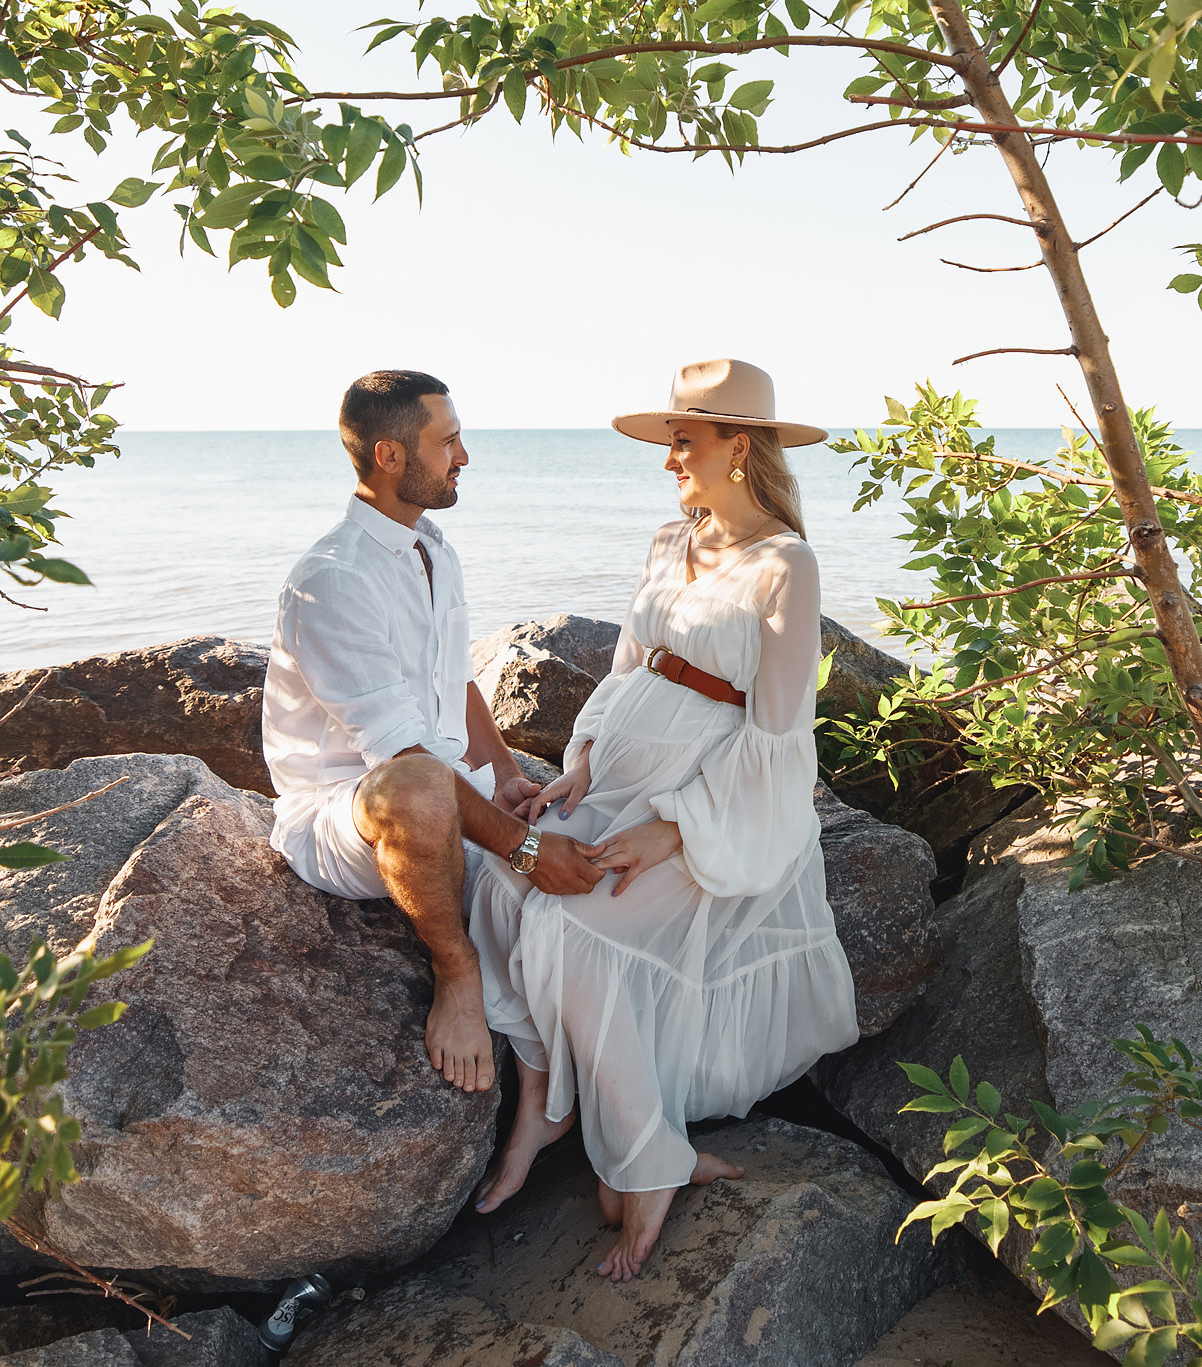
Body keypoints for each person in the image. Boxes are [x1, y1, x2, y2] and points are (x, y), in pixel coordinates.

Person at [463, 358, 860, 1282]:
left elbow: (777, 731)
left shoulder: (786, 566)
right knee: (495, 882)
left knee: (570, 926)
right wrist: (581, 767)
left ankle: (650, 1161)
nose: (670, 457)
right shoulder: (668, 539)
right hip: (619, 773)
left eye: (686, 439)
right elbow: (627, 666)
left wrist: (673, 827)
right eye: (672, 439)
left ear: (741, 446)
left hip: (708, 801)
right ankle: (545, 1095)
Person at [262, 369, 606, 1099]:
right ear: (390, 456)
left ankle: (587, 1106)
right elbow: (407, 765)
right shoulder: (330, 581)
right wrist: (529, 849)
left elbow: (459, 680)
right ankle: (457, 974)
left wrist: (507, 775)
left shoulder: (431, 547)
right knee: (425, 789)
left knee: (612, 845)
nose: (464, 456)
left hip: (444, 782)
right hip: (345, 812)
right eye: (447, 441)